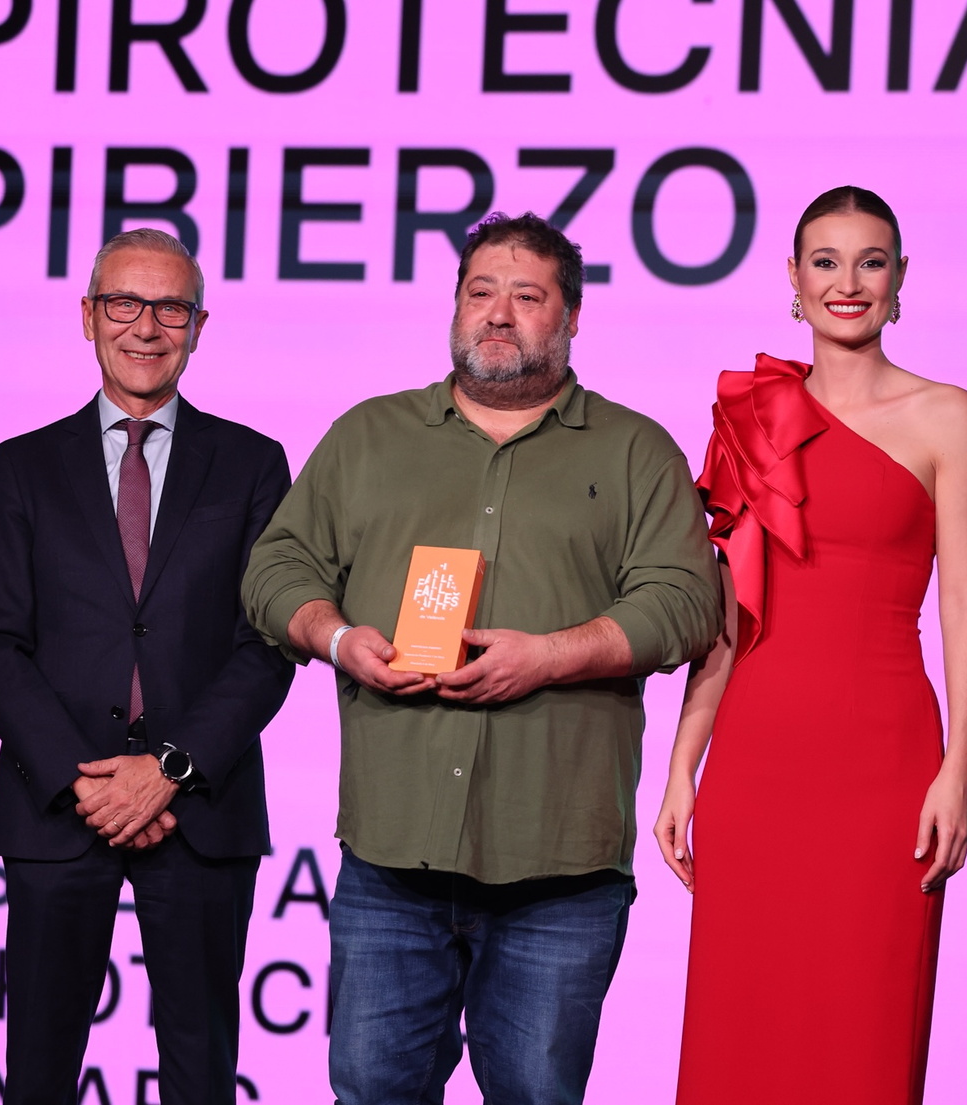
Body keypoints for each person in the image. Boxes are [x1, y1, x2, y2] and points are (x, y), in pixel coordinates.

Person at [243, 212, 721, 1105]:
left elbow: (686, 604)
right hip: (391, 857)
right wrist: (340, 638)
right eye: (480, 292)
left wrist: (550, 656)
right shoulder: (369, 436)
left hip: (559, 871)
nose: (498, 313)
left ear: (571, 317)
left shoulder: (634, 451)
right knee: (371, 1093)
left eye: (527, 296)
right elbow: (277, 569)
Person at [656, 186, 967, 1103]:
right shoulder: (753, 416)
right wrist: (683, 763)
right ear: (794, 280)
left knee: (864, 1029)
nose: (849, 282)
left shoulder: (948, 415)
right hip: (758, 755)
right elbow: (729, 609)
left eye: (871, 262)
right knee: (743, 1027)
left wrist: (959, 769)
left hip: (885, 761)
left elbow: (966, 601)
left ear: (900, 279)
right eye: (827, 262)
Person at [0, 228, 294, 1105]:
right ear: (88, 316)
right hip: (57, 809)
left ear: (199, 326)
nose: (146, 327)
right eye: (124, 303)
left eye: (171, 308)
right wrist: (91, 785)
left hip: (201, 810)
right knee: (38, 1074)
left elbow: (267, 645)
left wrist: (167, 773)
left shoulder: (254, 465)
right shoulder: (21, 467)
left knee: (201, 1074)